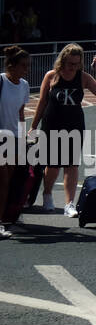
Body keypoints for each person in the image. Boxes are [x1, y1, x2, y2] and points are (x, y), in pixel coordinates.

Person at [30, 43, 96, 216]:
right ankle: (47, 194)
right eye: (70, 63)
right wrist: (33, 126)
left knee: (72, 165)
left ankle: (69, 204)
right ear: (63, 61)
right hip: (52, 125)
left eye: (76, 64)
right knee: (53, 164)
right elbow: (42, 102)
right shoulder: (52, 76)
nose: (73, 67)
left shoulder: (82, 77)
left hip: (74, 125)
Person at [0, 46, 30, 239]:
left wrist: (22, 138)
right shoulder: (1, 81)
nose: (26, 70)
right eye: (23, 66)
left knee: (7, 182)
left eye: (28, 66)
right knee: (2, 181)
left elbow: (20, 113)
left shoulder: (24, 85)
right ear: (11, 65)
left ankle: (4, 218)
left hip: (13, 138)